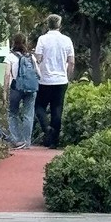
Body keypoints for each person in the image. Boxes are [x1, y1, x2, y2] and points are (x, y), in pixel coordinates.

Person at [34, 14, 74, 148]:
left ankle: (47, 128)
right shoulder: (67, 40)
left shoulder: (42, 39)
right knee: (57, 109)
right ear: (60, 25)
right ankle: (54, 141)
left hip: (45, 80)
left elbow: (38, 58)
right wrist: (68, 77)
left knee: (39, 106)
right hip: (61, 80)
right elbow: (71, 62)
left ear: (47, 25)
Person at [4, 32, 39, 148]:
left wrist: (5, 91)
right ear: (25, 42)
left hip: (16, 87)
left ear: (13, 42)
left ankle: (17, 140)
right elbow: (38, 73)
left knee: (12, 113)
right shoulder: (31, 57)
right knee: (28, 114)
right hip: (31, 88)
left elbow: (7, 75)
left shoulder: (10, 56)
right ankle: (27, 142)